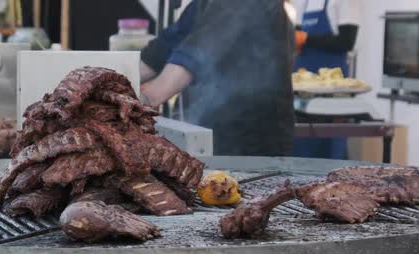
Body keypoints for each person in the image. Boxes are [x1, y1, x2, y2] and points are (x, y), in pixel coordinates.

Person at [140, 0, 295, 157]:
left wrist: (146, 99)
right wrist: (120, 78)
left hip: (252, 136)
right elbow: (161, 50)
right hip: (213, 129)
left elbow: (195, 52)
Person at [291, 0, 361, 159]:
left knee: (330, 148)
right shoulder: (303, 2)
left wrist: (306, 39)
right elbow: (295, 34)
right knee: (301, 148)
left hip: (333, 91)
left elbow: (346, 41)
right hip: (301, 90)